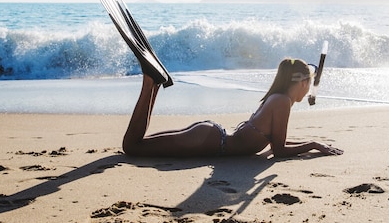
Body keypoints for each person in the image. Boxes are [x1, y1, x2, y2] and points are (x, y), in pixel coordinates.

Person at [122, 58, 343, 158]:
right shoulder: (282, 102)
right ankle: (149, 83)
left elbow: (277, 143)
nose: (308, 91)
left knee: (139, 144)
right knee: (133, 147)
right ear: (303, 83)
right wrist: (313, 144)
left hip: (210, 135)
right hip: (210, 140)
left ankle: (155, 85)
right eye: (309, 85)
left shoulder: (277, 98)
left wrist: (312, 144)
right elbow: (279, 151)